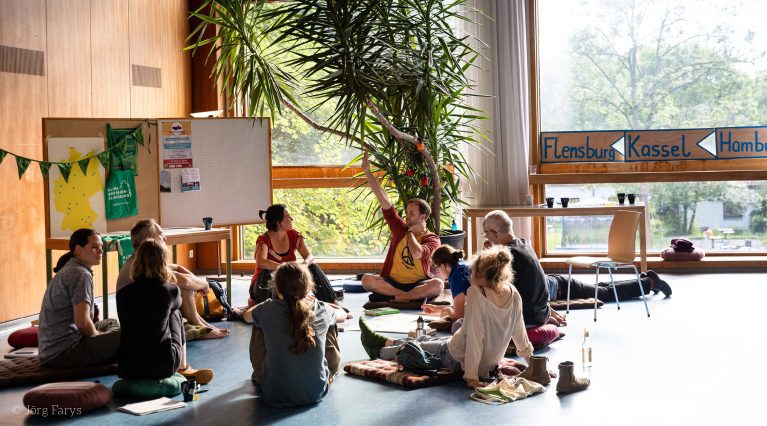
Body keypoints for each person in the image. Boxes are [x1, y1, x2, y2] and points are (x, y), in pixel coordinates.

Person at [359, 245, 534, 388]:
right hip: (490, 362)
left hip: (455, 357)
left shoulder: (476, 292)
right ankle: (386, 341)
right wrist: (534, 365)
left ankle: (379, 348)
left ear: (479, 272)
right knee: (458, 326)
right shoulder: (513, 292)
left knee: (418, 345)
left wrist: (471, 376)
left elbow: (475, 337)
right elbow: (520, 335)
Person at [482, 210, 672, 313]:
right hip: (557, 282)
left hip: (560, 288)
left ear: (494, 233)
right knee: (601, 286)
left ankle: (649, 283)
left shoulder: (508, 256)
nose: (487, 239)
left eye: (486, 234)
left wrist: (490, 256)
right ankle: (645, 279)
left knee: (603, 292)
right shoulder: (521, 243)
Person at [244, 263, 347, 407]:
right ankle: (330, 369)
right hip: (315, 392)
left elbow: (246, 316)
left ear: (277, 289)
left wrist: (267, 303)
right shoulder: (321, 309)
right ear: (308, 287)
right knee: (330, 323)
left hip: (274, 392)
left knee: (258, 322)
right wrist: (317, 301)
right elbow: (343, 314)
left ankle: (260, 374)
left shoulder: (268, 308)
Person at [117, 240, 214, 383]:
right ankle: (183, 367)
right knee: (175, 312)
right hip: (162, 366)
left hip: (127, 368)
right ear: (163, 263)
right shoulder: (170, 290)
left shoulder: (122, 293)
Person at [116, 219, 229, 339]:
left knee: (182, 286)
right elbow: (183, 281)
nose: (165, 238)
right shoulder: (142, 265)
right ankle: (200, 327)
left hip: (137, 321)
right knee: (182, 288)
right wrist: (204, 284)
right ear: (149, 239)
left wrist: (194, 280)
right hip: (140, 326)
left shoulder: (140, 260)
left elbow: (178, 268)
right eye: (161, 234)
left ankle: (201, 324)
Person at [359, 151, 443, 302]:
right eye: (406, 213)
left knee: (437, 284)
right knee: (366, 280)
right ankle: (406, 297)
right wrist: (367, 172)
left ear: (423, 217)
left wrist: (410, 234)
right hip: (393, 283)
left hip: (418, 283)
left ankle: (400, 297)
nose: (407, 217)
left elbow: (417, 254)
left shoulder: (432, 239)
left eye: (411, 214)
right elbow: (383, 199)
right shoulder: (400, 228)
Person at [38, 229, 121, 367]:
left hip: (50, 351)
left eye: (101, 247)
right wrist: (98, 335)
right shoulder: (80, 274)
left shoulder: (72, 268)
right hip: (63, 353)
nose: (101, 251)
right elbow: (82, 323)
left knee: (110, 323)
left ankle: (110, 351)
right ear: (78, 250)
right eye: (94, 247)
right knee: (129, 335)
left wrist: (98, 334)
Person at [248, 204, 337, 306]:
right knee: (267, 273)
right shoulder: (264, 239)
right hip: (263, 286)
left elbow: (309, 256)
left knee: (313, 267)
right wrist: (285, 267)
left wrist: (304, 264)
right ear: (278, 223)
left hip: (288, 284)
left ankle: (333, 304)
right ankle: (263, 309)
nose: (292, 219)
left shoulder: (293, 235)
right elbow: (261, 262)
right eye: (288, 217)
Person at [422, 245, 471, 321]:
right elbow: (463, 307)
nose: (437, 272)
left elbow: (459, 317)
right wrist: (438, 309)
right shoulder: (463, 265)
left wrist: (448, 310)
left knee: (456, 327)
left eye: (436, 268)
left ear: (443, 266)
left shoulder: (455, 275)